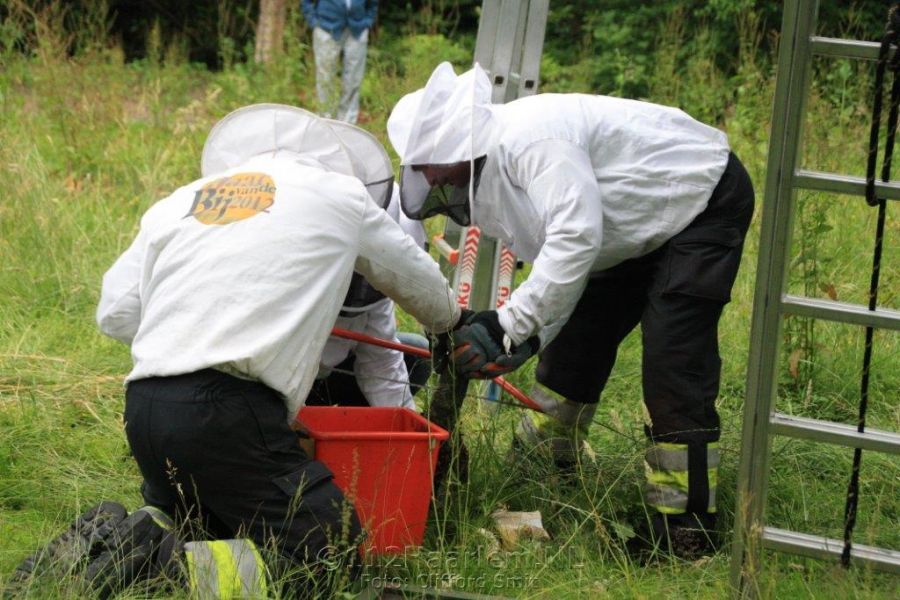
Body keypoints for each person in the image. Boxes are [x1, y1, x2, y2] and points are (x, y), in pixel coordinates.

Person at [31, 103, 459, 597]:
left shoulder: (183, 199)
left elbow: (115, 312)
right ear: (341, 167)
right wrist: (454, 321)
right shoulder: (338, 193)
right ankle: (159, 576)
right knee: (333, 551)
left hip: (145, 408)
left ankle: (118, 541)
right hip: (231, 410)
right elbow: (413, 275)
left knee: (206, 525)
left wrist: (188, 339)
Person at [386, 62, 755, 559]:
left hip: (700, 198)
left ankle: (686, 527)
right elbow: (564, 269)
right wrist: (525, 339)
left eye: (432, 168)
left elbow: (576, 239)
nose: (429, 179)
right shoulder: (490, 179)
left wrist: (506, 324)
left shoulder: (532, 144)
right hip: (623, 226)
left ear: (456, 149)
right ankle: (544, 467)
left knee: (674, 360)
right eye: (422, 171)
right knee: (577, 343)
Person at [308, 185, 433, 409]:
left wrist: (403, 430)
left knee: (417, 355)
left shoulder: (373, 298)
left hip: (321, 377)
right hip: (263, 384)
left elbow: (383, 364)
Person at [301, 0, 378, 124]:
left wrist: (368, 21)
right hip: (326, 28)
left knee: (354, 78)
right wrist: (314, 22)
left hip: (358, 29)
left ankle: (348, 123)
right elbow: (307, 2)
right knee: (325, 77)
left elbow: (373, 3)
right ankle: (325, 120)